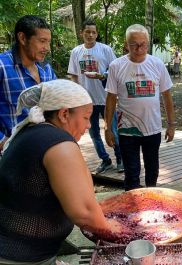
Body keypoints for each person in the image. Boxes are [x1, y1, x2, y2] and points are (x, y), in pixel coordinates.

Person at [0, 80, 125, 264]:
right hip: (19, 256)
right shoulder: (58, 144)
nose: (89, 125)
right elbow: (85, 213)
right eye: (86, 117)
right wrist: (119, 232)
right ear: (64, 114)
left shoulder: (34, 131)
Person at [104, 24, 176, 190]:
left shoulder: (157, 64)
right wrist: (108, 127)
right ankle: (132, 208)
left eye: (143, 44)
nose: (139, 48)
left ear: (148, 43)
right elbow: (111, 98)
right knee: (131, 172)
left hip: (152, 128)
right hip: (127, 130)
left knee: (152, 170)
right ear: (125, 44)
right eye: (133, 44)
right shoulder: (116, 66)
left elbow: (167, 96)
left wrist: (172, 125)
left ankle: (152, 200)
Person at [68, 19, 123, 174]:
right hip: (86, 101)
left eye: (93, 32)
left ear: (97, 34)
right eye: (87, 32)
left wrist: (102, 75)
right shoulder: (76, 52)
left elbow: (115, 70)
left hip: (106, 99)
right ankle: (105, 160)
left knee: (113, 130)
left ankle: (120, 159)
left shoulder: (105, 50)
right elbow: (74, 75)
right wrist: (77, 96)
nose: (90, 35)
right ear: (81, 33)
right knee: (93, 133)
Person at [0, 15, 56, 152]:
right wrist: (2, 140)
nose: (47, 48)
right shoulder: (2, 66)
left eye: (48, 42)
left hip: (43, 147)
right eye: (42, 41)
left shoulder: (46, 68)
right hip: (11, 152)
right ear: (23, 38)